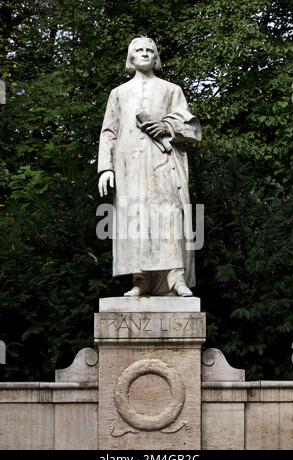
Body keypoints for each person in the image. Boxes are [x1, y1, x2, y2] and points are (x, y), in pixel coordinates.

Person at [98, 37, 202, 296]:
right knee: (134, 218)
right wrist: (105, 168)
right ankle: (140, 280)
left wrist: (167, 126)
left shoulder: (171, 90)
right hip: (128, 166)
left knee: (168, 216)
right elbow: (108, 132)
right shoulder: (118, 94)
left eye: (149, 50)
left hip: (163, 163)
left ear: (156, 58)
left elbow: (190, 127)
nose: (144, 54)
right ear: (131, 58)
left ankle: (176, 278)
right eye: (138, 50)